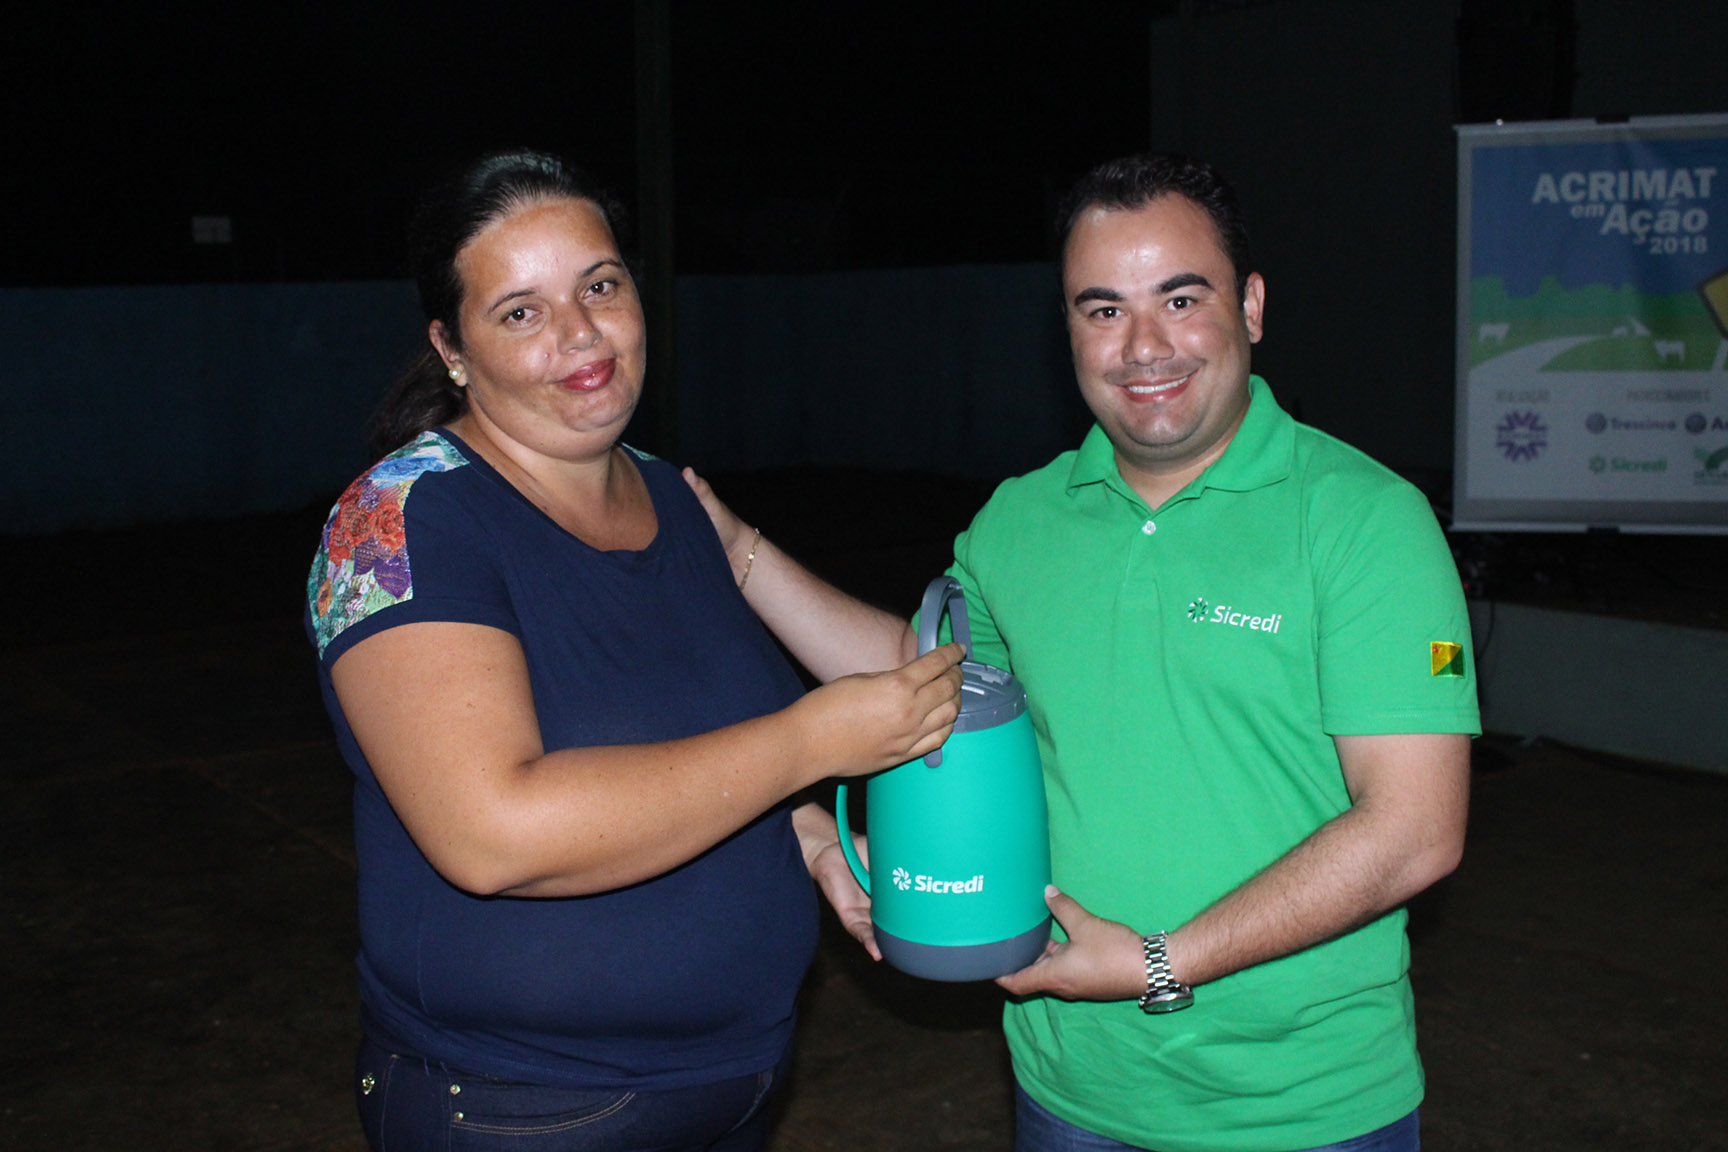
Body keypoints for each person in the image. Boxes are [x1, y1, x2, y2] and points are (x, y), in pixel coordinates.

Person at [686, 153, 1479, 1152]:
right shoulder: (1020, 520)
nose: (1144, 347)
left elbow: (1414, 829)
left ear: (1251, 307)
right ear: (1065, 328)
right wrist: (740, 553)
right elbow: (924, 677)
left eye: (1180, 299)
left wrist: (1159, 962)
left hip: (1303, 1108)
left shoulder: (1364, 522)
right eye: (1103, 310)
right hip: (1070, 1091)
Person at [304, 148, 963, 1152]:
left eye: (600, 286)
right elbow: (493, 833)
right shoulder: (399, 522)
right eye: (520, 311)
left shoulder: (668, 496)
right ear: (451, 348)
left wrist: (810, 840)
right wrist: (811, 743)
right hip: (525, 1106)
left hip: (732, 1083)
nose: (579, 332)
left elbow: (692, 739)